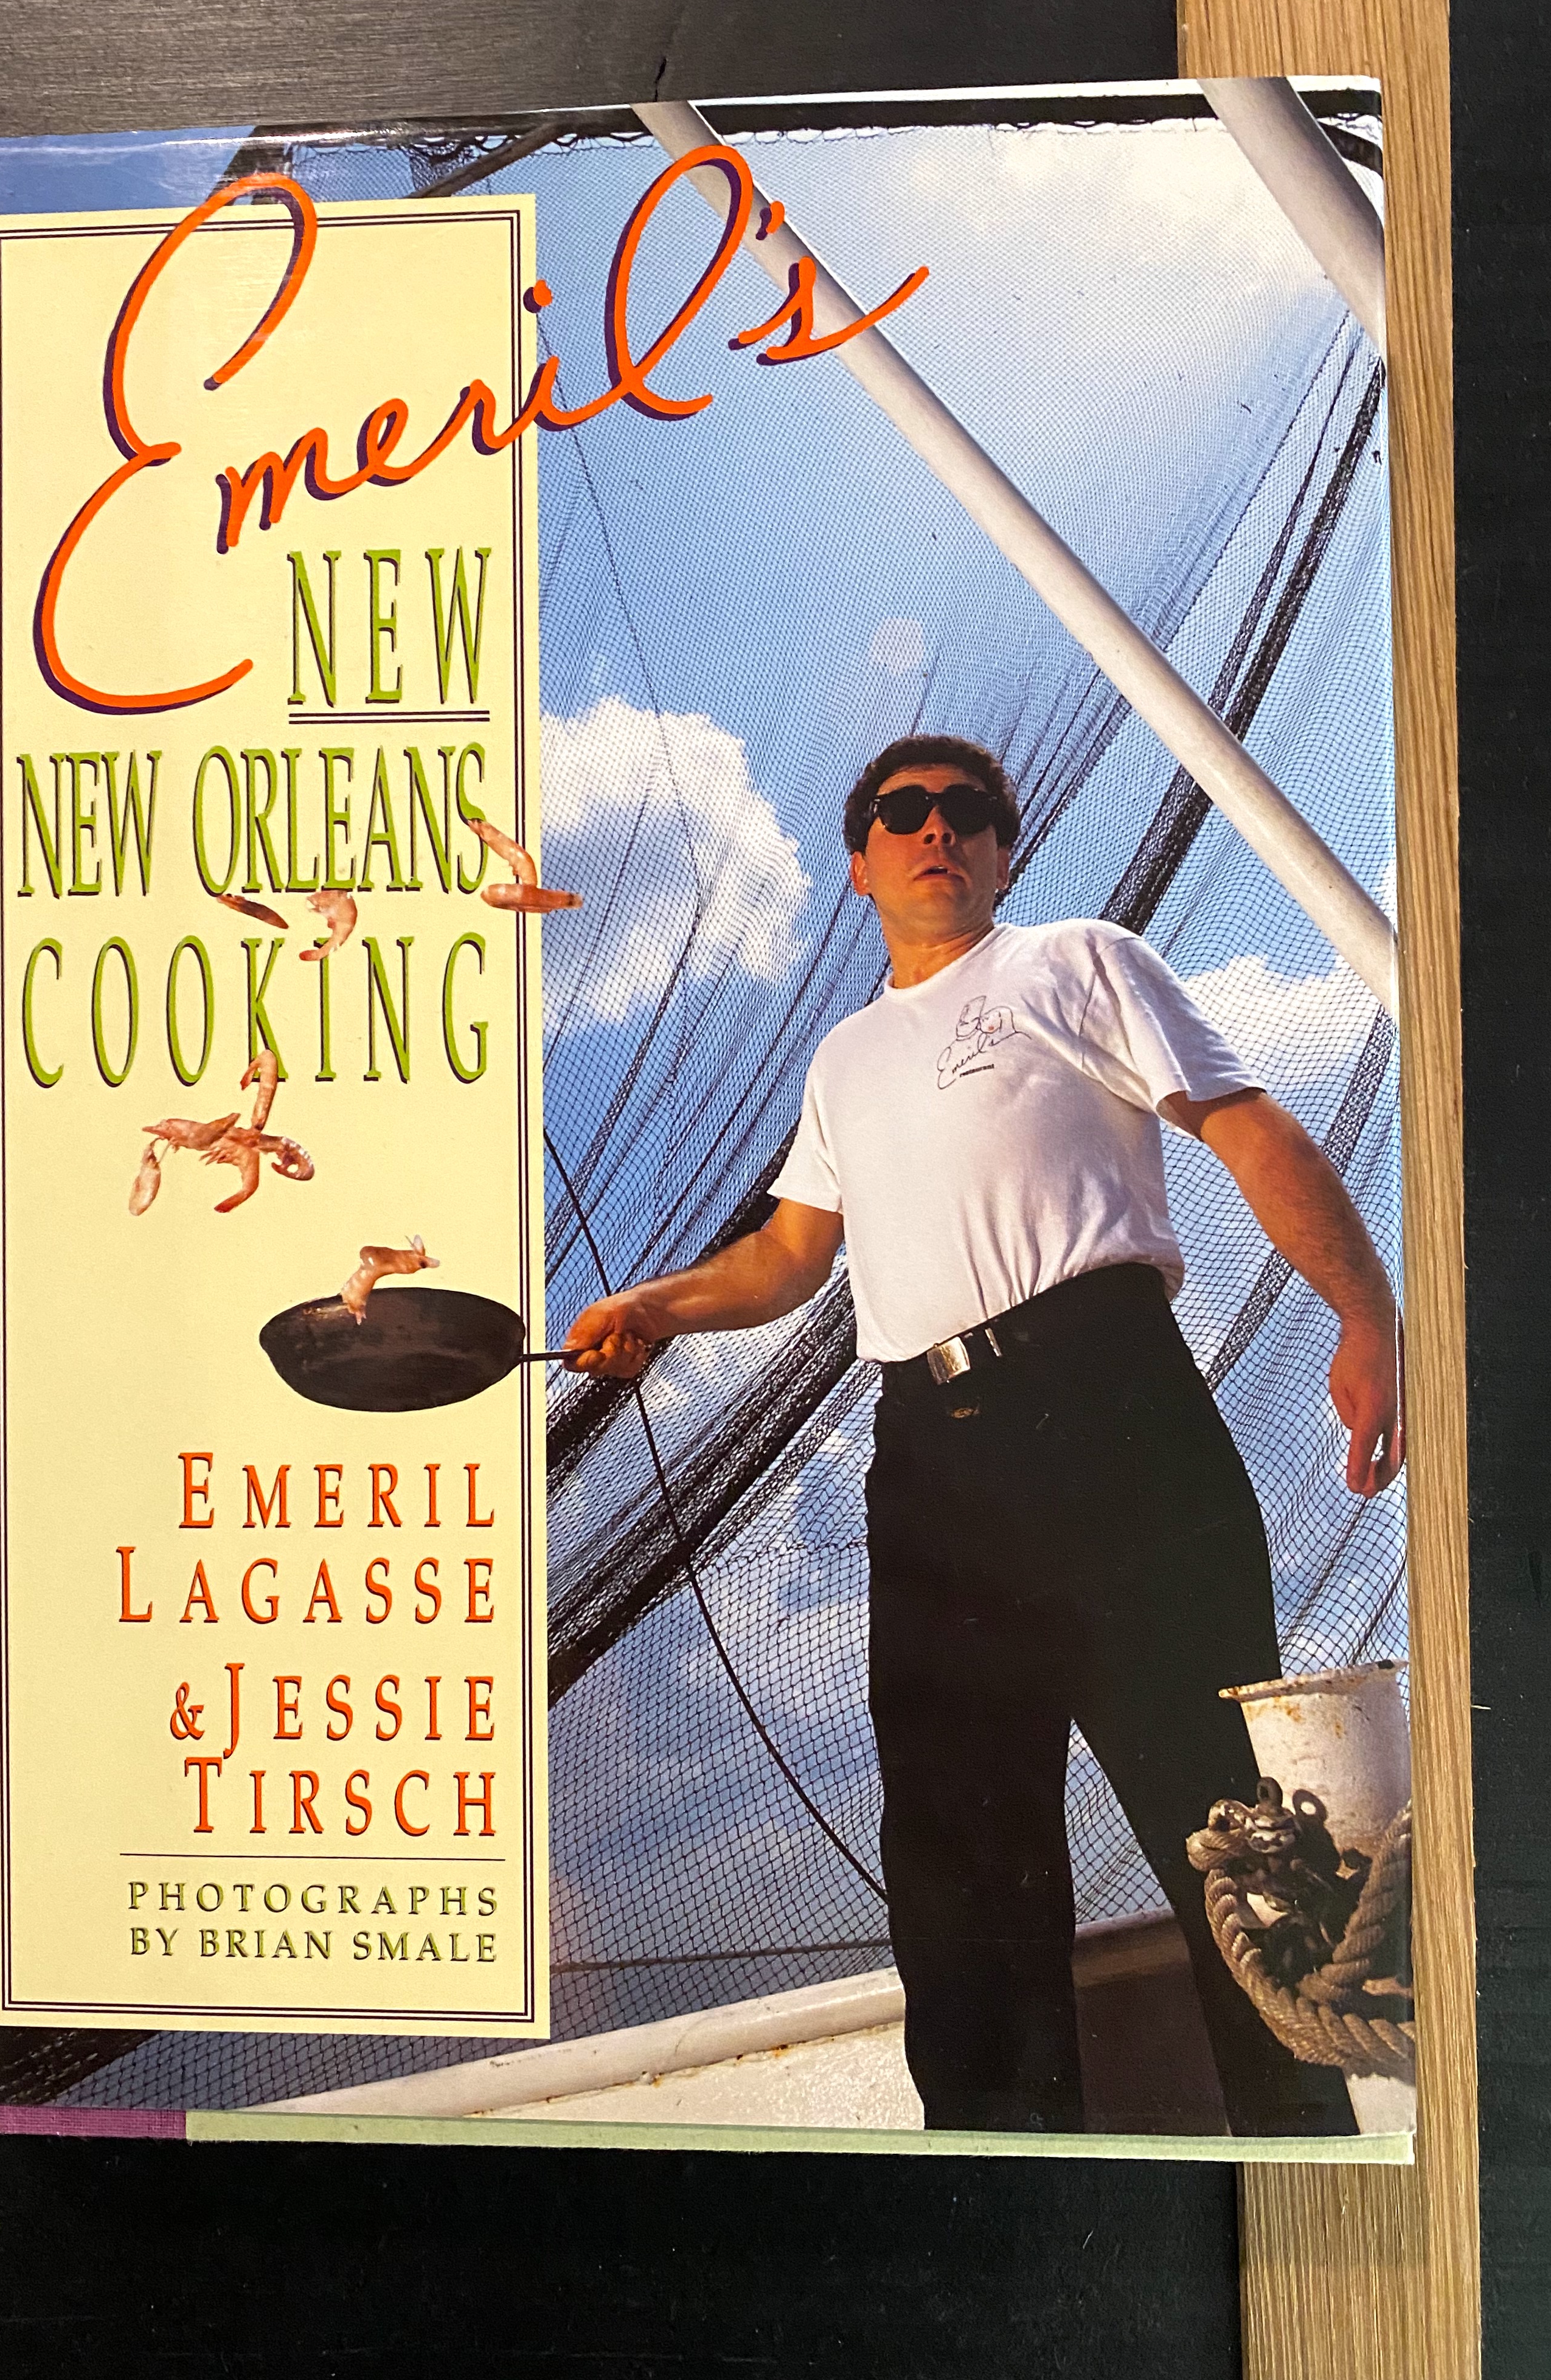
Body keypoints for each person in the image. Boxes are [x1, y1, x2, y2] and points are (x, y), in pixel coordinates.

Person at [563, 733, 1401, 2136]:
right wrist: (657, 1304)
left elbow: (1245, 1127)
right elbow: (787, 1256)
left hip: (1116, 1418)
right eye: (903, 813)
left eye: (967, 811)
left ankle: (1304, 2165)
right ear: (860, 864)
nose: (935, 829)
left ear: (1006, 852)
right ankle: (1008, 2181)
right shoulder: (842, 1061)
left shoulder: (1081, 962)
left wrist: (1366, 1313)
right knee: (961, 1871)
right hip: (931, 1469)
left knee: (1234, 1831)